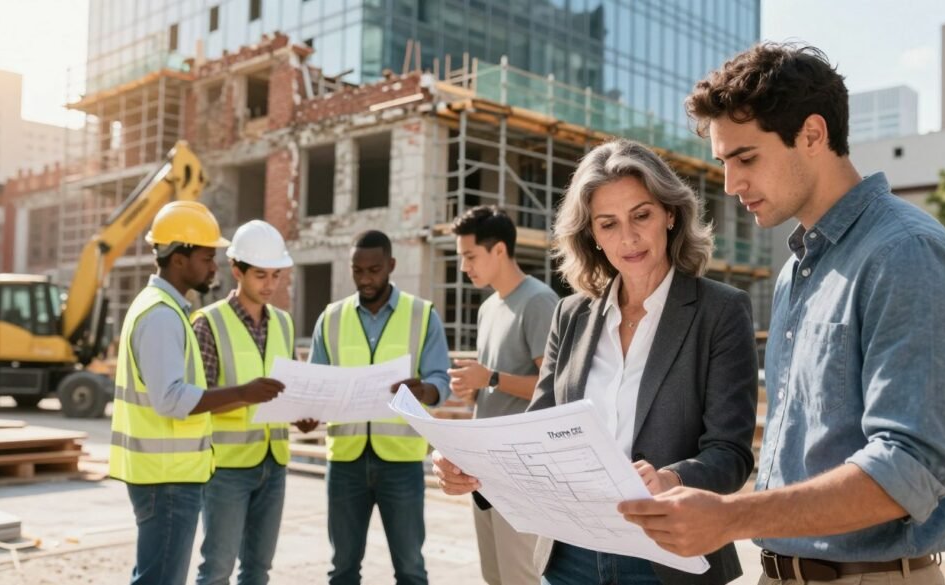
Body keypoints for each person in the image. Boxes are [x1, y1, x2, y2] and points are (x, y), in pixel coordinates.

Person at [617, 43, 945, 585]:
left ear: (812, 135)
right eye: (724, 163)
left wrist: (731, 517)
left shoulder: (906, 254)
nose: (730, 184)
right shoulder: (797, 270)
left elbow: (909, 467)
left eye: (745, 158)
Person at [434, 140, 759, 585]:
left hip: (668, 560)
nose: (628, 238)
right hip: (571, 558)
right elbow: (536, 432)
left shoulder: (720, 311)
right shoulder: (571, 315)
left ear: (670, 214)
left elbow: (731, 453)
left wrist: (671, 478)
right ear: (592, 235)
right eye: (608, 224)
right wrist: (472, 467)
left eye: (641, 215)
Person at [108, 201, 285, 585]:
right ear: (179, 258)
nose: (213, 267)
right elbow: (171, 398)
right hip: (165, 477)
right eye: (207, 257)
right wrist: (244, 392)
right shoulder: (160, 315)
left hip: (170, 474)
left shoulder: (169, 310)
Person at [309, 230, 452, 585]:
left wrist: (425, 390)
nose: (365, 278)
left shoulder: (422, 315)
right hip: (345, 461)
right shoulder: (330, 319)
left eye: (374, 269)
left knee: (410, 569)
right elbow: (314, 383)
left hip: (401, 463)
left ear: (391, 265)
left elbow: (441, 380)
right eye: (358, 270)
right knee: (341, 569)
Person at [192, 219, 318, 585]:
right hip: (226, 469)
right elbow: (195, 401)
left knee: (258, 571)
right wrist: (244, 394)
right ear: (237, 270)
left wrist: (301, 416)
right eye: (261, 275)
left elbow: (288, 388)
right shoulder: (208, 323)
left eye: (276, 276)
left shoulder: (284, 323)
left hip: (274, 463)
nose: (270, 285)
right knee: (216, 571)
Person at [447, 206, 559, 585]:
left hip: (521, 473)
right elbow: (495, 382)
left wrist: (491, 377)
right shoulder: (488, 307)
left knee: (520, 579)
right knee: (494, 578)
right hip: (483, 472)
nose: (464, 267)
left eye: (469, 256)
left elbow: (555, 387)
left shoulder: (539, 301)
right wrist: (472, 389)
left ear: (498, 251)